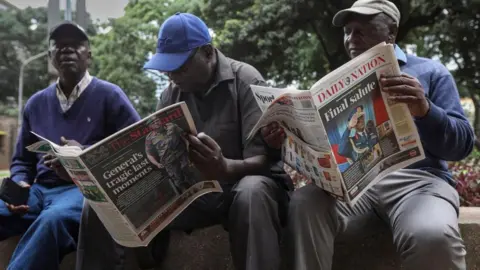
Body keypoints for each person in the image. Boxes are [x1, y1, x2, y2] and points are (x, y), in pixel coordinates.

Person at [262, 1, 474, 269]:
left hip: (419, 183)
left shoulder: (430, 72)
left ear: (391, 32)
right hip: (353, 188)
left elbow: (463, 146)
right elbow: (328, 149)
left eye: (362, 30)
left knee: (433, 236)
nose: (352, 39)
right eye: (348, 32)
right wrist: (287, 141)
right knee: (305, 204)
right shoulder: (333, 83)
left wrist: (425, 110)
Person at [78, 12, 291, 270]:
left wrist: (224, 168)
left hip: (240, 189)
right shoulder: (171, 94)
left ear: (208, 53)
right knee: (100, 204)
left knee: (252, 191)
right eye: (168, 69)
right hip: (193, 196)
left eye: (181, 67)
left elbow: (263, 161)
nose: (173, 76)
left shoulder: (245, 80)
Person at [0, 21, 141, 270]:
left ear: (90, 54)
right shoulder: (35, 103)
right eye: (60, 45)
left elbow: (137, 148)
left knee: (52, 221)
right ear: (50, 56)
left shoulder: (110, 96)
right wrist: (20, 184)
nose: (67, 50)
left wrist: (84, 155)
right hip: (37, 191)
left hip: (83, 193)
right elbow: (21, 160)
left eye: (75, 44)